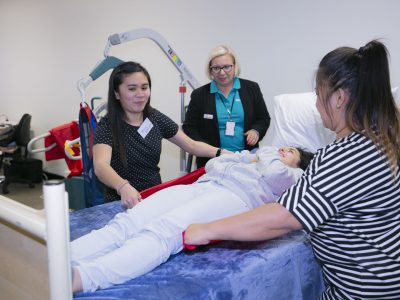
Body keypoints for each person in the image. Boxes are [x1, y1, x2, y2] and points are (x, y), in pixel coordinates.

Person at [185, 40, 400, 299]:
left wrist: (207, 229)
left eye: (318, 95)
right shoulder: (382, 138)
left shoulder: (347, 156)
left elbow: (282, 218)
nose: (317, 105)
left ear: (339, 98)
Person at [71, 145, 314, 293]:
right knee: (128, 222)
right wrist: (247, 158)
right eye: (282, 147)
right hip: (204, 185)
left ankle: (84, 278)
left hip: (233, 197)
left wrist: (264, 154)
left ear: (299, 162)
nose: (282, 150)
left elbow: (273, 171)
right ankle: (61, 257)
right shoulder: (257, 159)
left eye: (290, 151)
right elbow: (214, 165)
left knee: (164, 232)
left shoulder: (294, 175)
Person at [93, 61, 230, 207]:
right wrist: (123, 187)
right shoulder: (107, 126)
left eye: (144, 88)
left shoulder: (154, 117)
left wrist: (221, 153)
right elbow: (101, 166)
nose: (140, 94)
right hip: (121, 203)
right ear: (116, 94)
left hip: (154, 198)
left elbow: (191, 145)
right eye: (132, 89)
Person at [183, 45, 271, 168]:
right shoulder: (200, 95)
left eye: (226, 67)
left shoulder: (251, 88)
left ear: (235, 66)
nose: (222, 72)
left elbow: (263, 118)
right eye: (216, 68)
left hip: (247, 158)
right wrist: (208, 149)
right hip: (212, 161)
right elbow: (189, 128)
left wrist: (256, 131)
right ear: (210, 70)